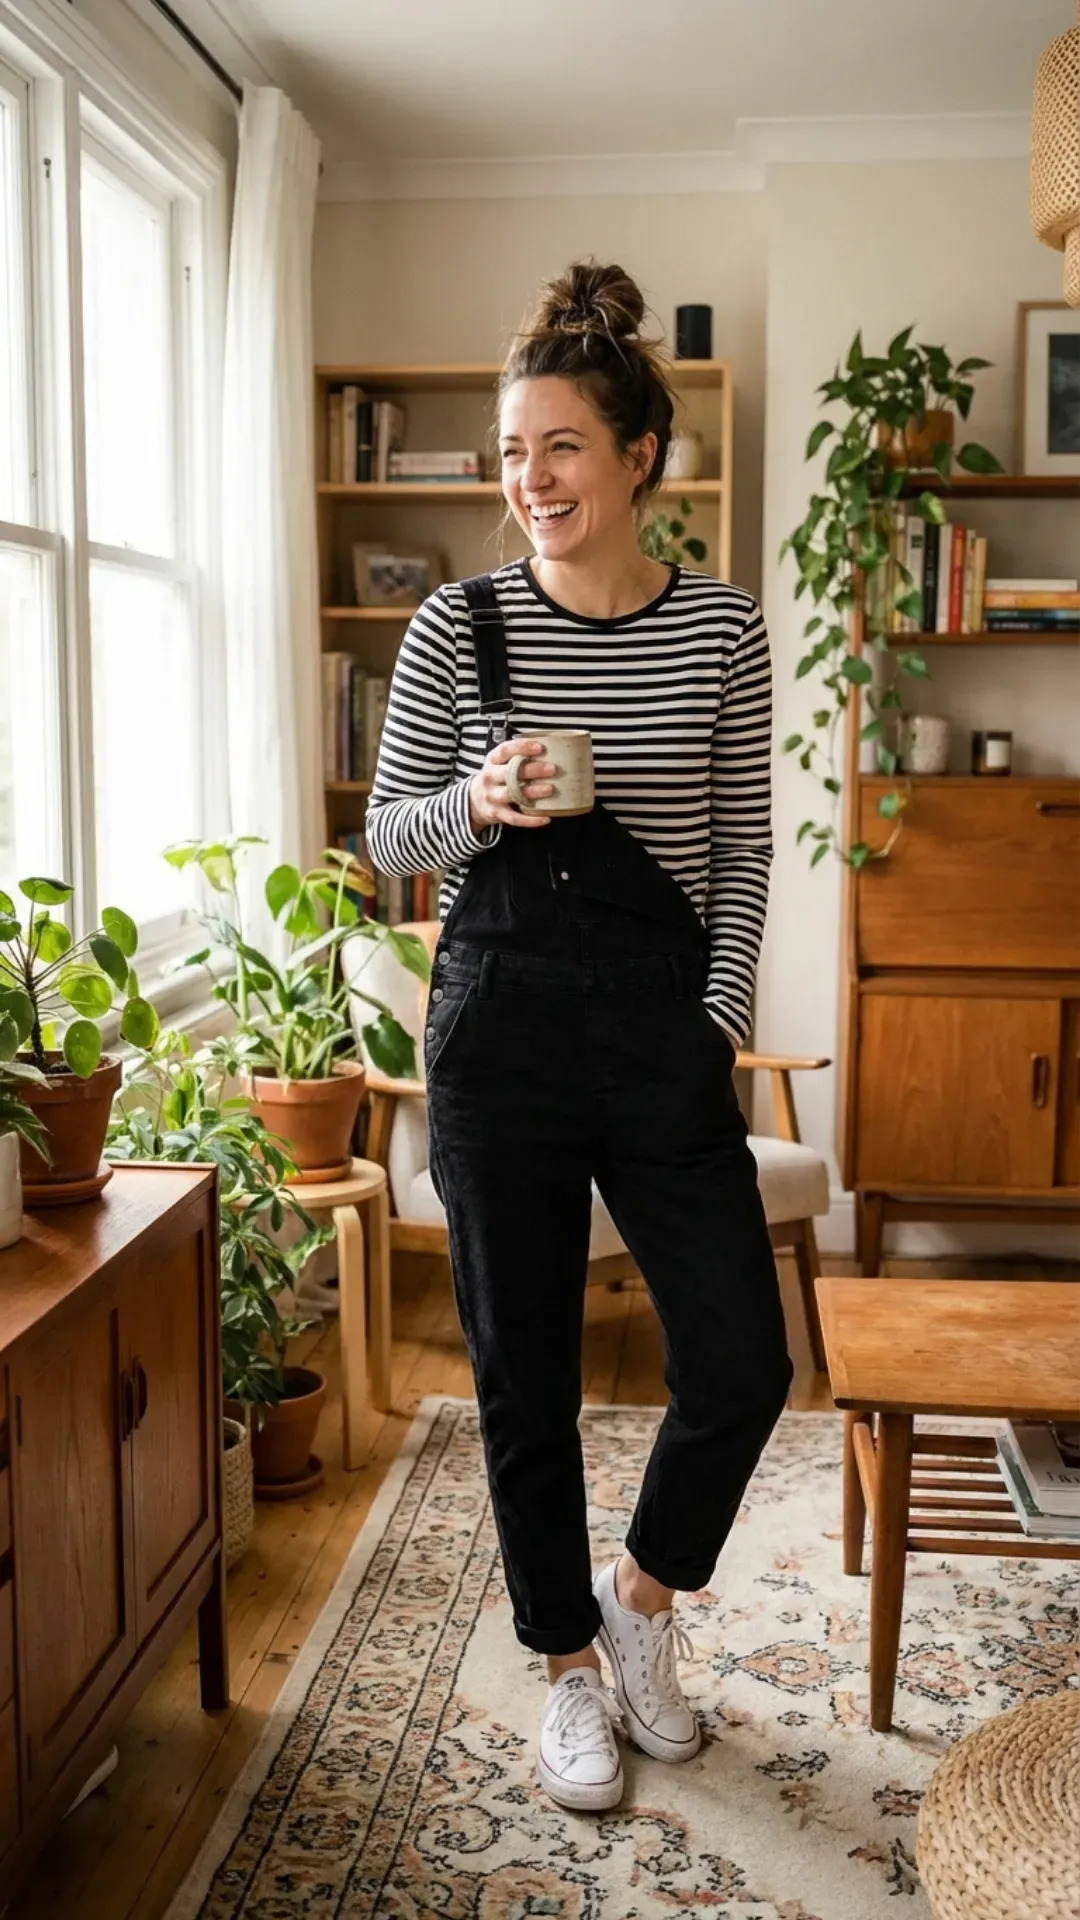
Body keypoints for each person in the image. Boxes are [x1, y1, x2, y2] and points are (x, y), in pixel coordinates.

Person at [365, 258, 793, 1813]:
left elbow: (744, 849)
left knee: (743, 1359)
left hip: (662, 1030)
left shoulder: (722, 633)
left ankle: (640, 1600)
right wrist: (473, 798)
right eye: (509, 452)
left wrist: (721, 1020)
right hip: (496, 1031)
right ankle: (563, 1669)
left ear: (636, 459)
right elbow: (386, 834)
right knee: (521, 1375)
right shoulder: (452, 627)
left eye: (558, 446)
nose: (529, 480)